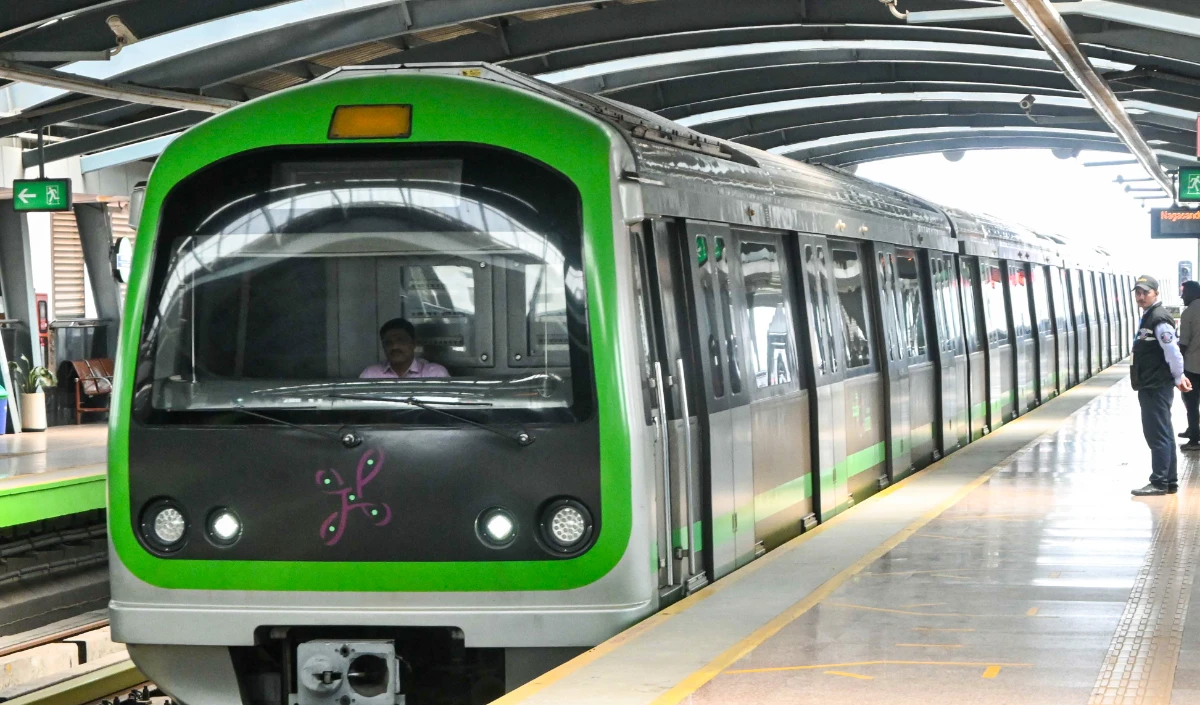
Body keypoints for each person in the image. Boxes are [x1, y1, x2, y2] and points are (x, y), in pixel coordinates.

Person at [1130, 275, 1192, 496]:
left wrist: (1179, 376)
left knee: (1156, 433)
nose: (1141, 296)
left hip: (1155, 384)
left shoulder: (1158, 319)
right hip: (1152, 383)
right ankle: (1169, 481)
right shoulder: (1151, 316)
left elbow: (1172, 352)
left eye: (1145, 292)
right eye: (1138, 292)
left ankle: (1158, 481)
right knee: (1163, 431)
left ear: (1156, 293)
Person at [359, 318, 450, 379]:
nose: (394, 347)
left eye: (401, 341)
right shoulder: (371, 375)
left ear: (413, 343)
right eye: (388, 343)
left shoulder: (434, 374)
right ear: (383, 346)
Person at [1179, 280, 1200, 451]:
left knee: (1191, 402)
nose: (1181, 296)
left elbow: (1183, 343)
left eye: (1184, 293)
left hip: (1193, 366)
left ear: (1193, 293)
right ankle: (1193, 430)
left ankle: (1194, 440)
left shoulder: (1188, 313)